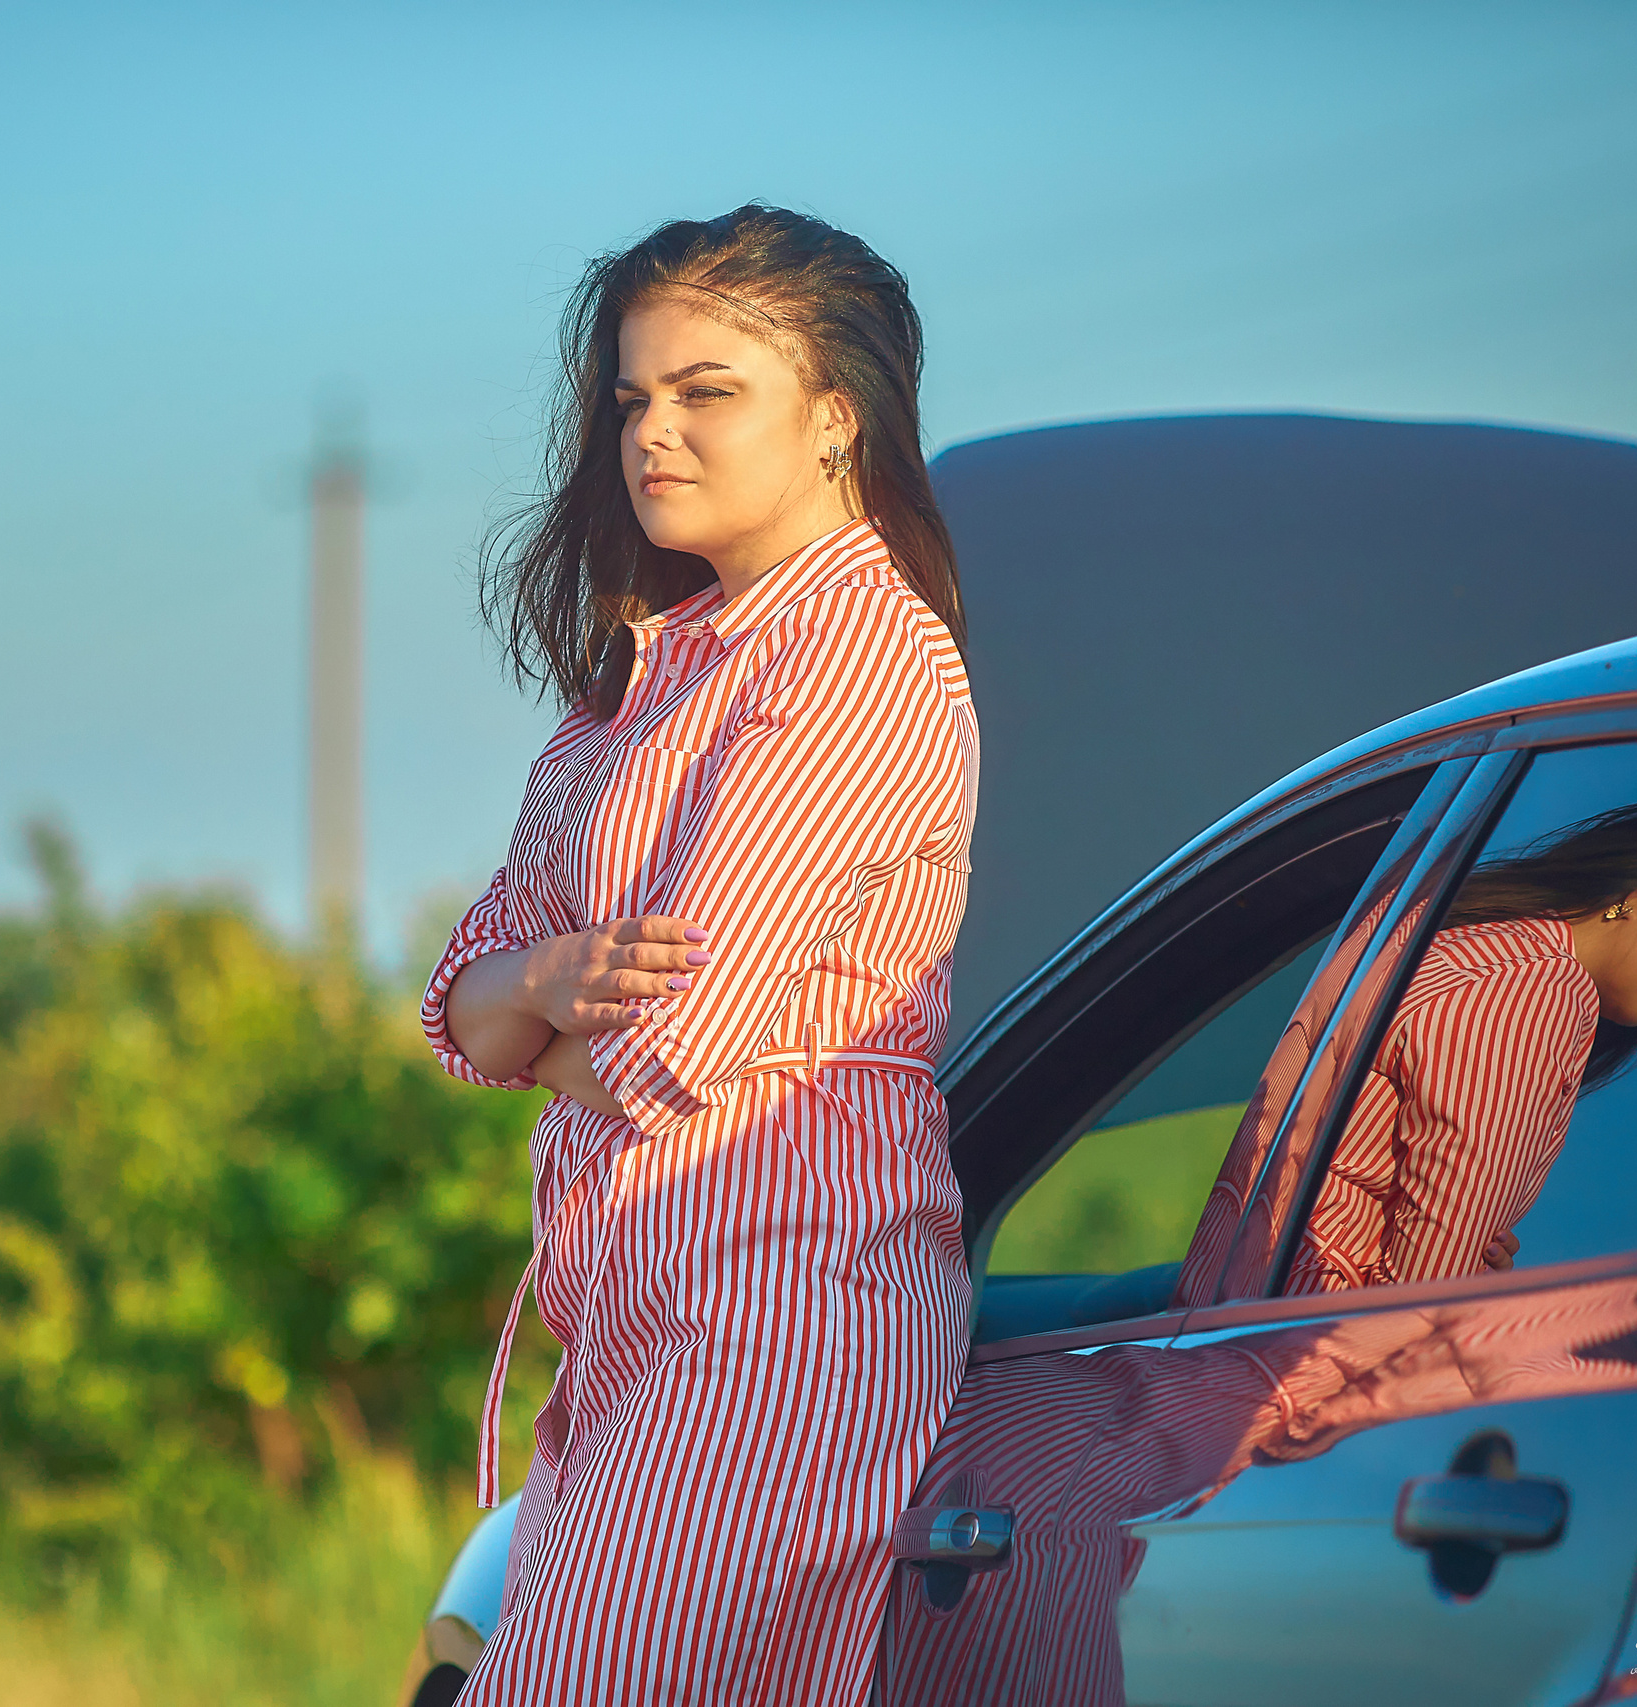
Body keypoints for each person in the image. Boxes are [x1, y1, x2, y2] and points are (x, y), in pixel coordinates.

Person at [421, 205, 975, 1704]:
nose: (651, 432)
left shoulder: (859, 650)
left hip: (776, 1321)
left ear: (835, 419)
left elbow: (681, 1032)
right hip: (630, 1323)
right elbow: (457, 1000)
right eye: (631, 398)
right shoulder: (647, 674)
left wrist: (535, 1008)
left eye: (706, 391)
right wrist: (538, 986)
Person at [1289, 796, 1637, 1295]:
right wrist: (1468, 1292)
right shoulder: (1535, 988)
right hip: (1321, 1353)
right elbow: (1422, 1303)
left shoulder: (1452, 944)